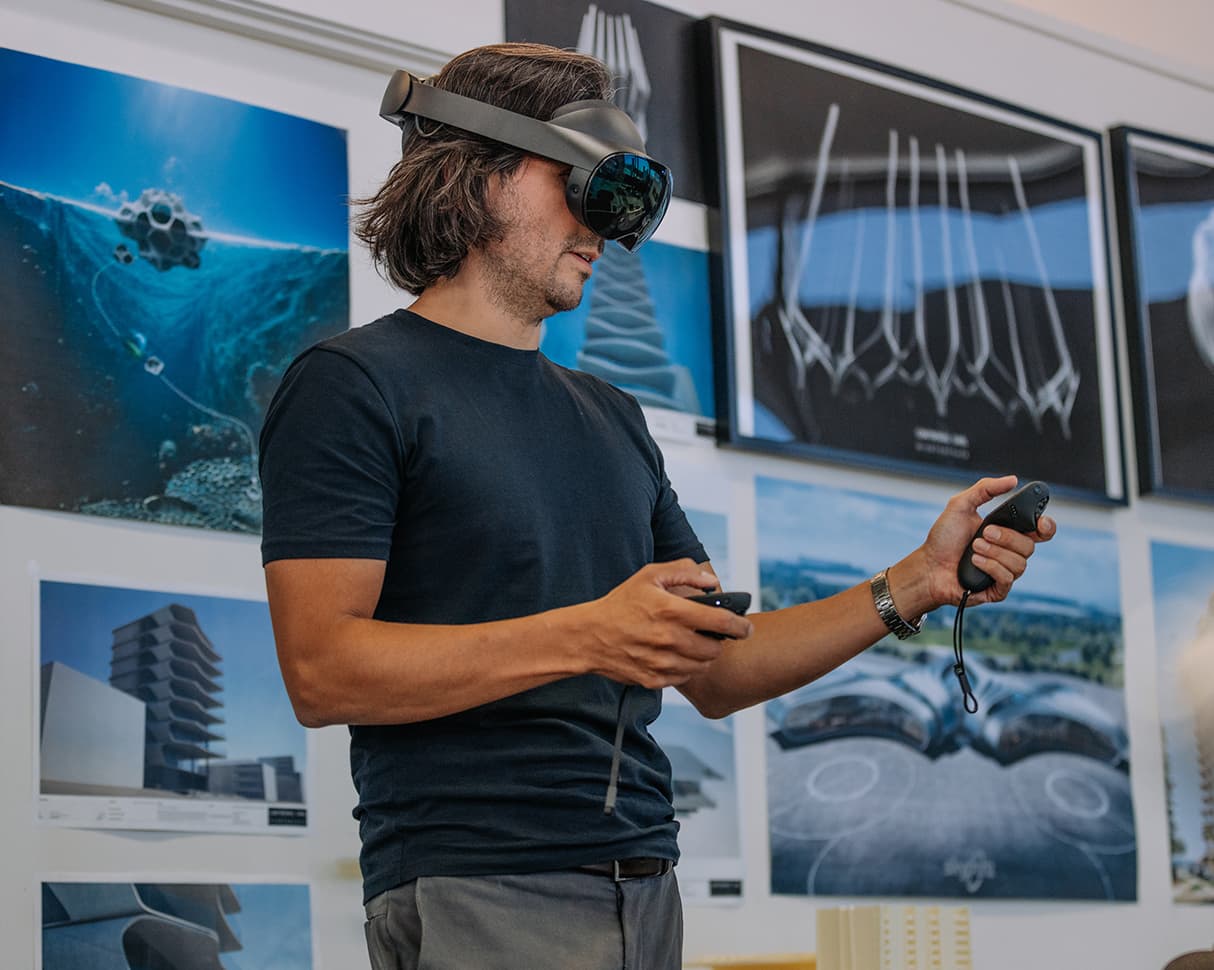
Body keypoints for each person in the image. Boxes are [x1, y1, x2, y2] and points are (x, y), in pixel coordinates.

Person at [258, 42, 1055, 970]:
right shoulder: (354, 385)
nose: (608, 234)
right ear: (479, 175)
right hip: (480, 878)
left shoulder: (611, 416)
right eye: (587, 190)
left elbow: (714, 674)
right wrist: (591, 636)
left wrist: (912, 584)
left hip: (643, 881)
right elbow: (323, 670)